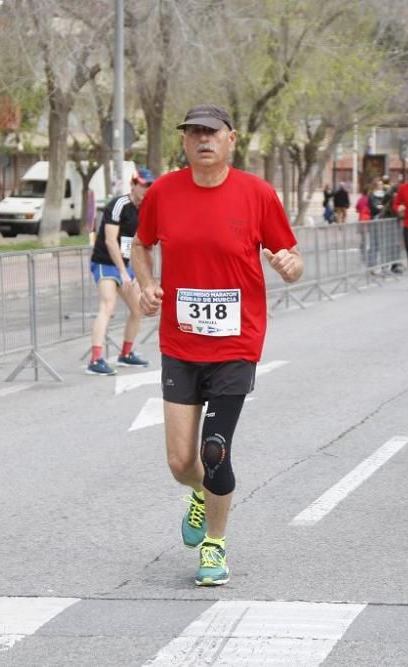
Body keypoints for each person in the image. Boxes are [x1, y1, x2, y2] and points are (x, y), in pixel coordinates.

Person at [131, 104, 303, 586]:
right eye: (194, 133)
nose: (203, 140)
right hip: (179, 343)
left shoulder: (257, 194)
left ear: (232, 139)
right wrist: (145, 284)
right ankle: (199, 493)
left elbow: (290, 255)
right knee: (180, 462)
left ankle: (214, 545)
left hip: (236, 342)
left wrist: (291, 266)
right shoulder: (164, 192)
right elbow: (140, 245)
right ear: (184, 142)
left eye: (212, 132)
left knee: (214, 451)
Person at [86, 168, 155, 375]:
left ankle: (125, 354)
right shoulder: (119, 205)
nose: (145, 189)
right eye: (142, 184)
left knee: (138, 309)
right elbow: (110, 240)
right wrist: (123, 271)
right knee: (108, 304)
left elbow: (141, 242)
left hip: (126, 265)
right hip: (105, 262)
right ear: (133, 184)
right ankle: (95, 359)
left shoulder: (145, 208)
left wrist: (140, 274)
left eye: (149, 185)